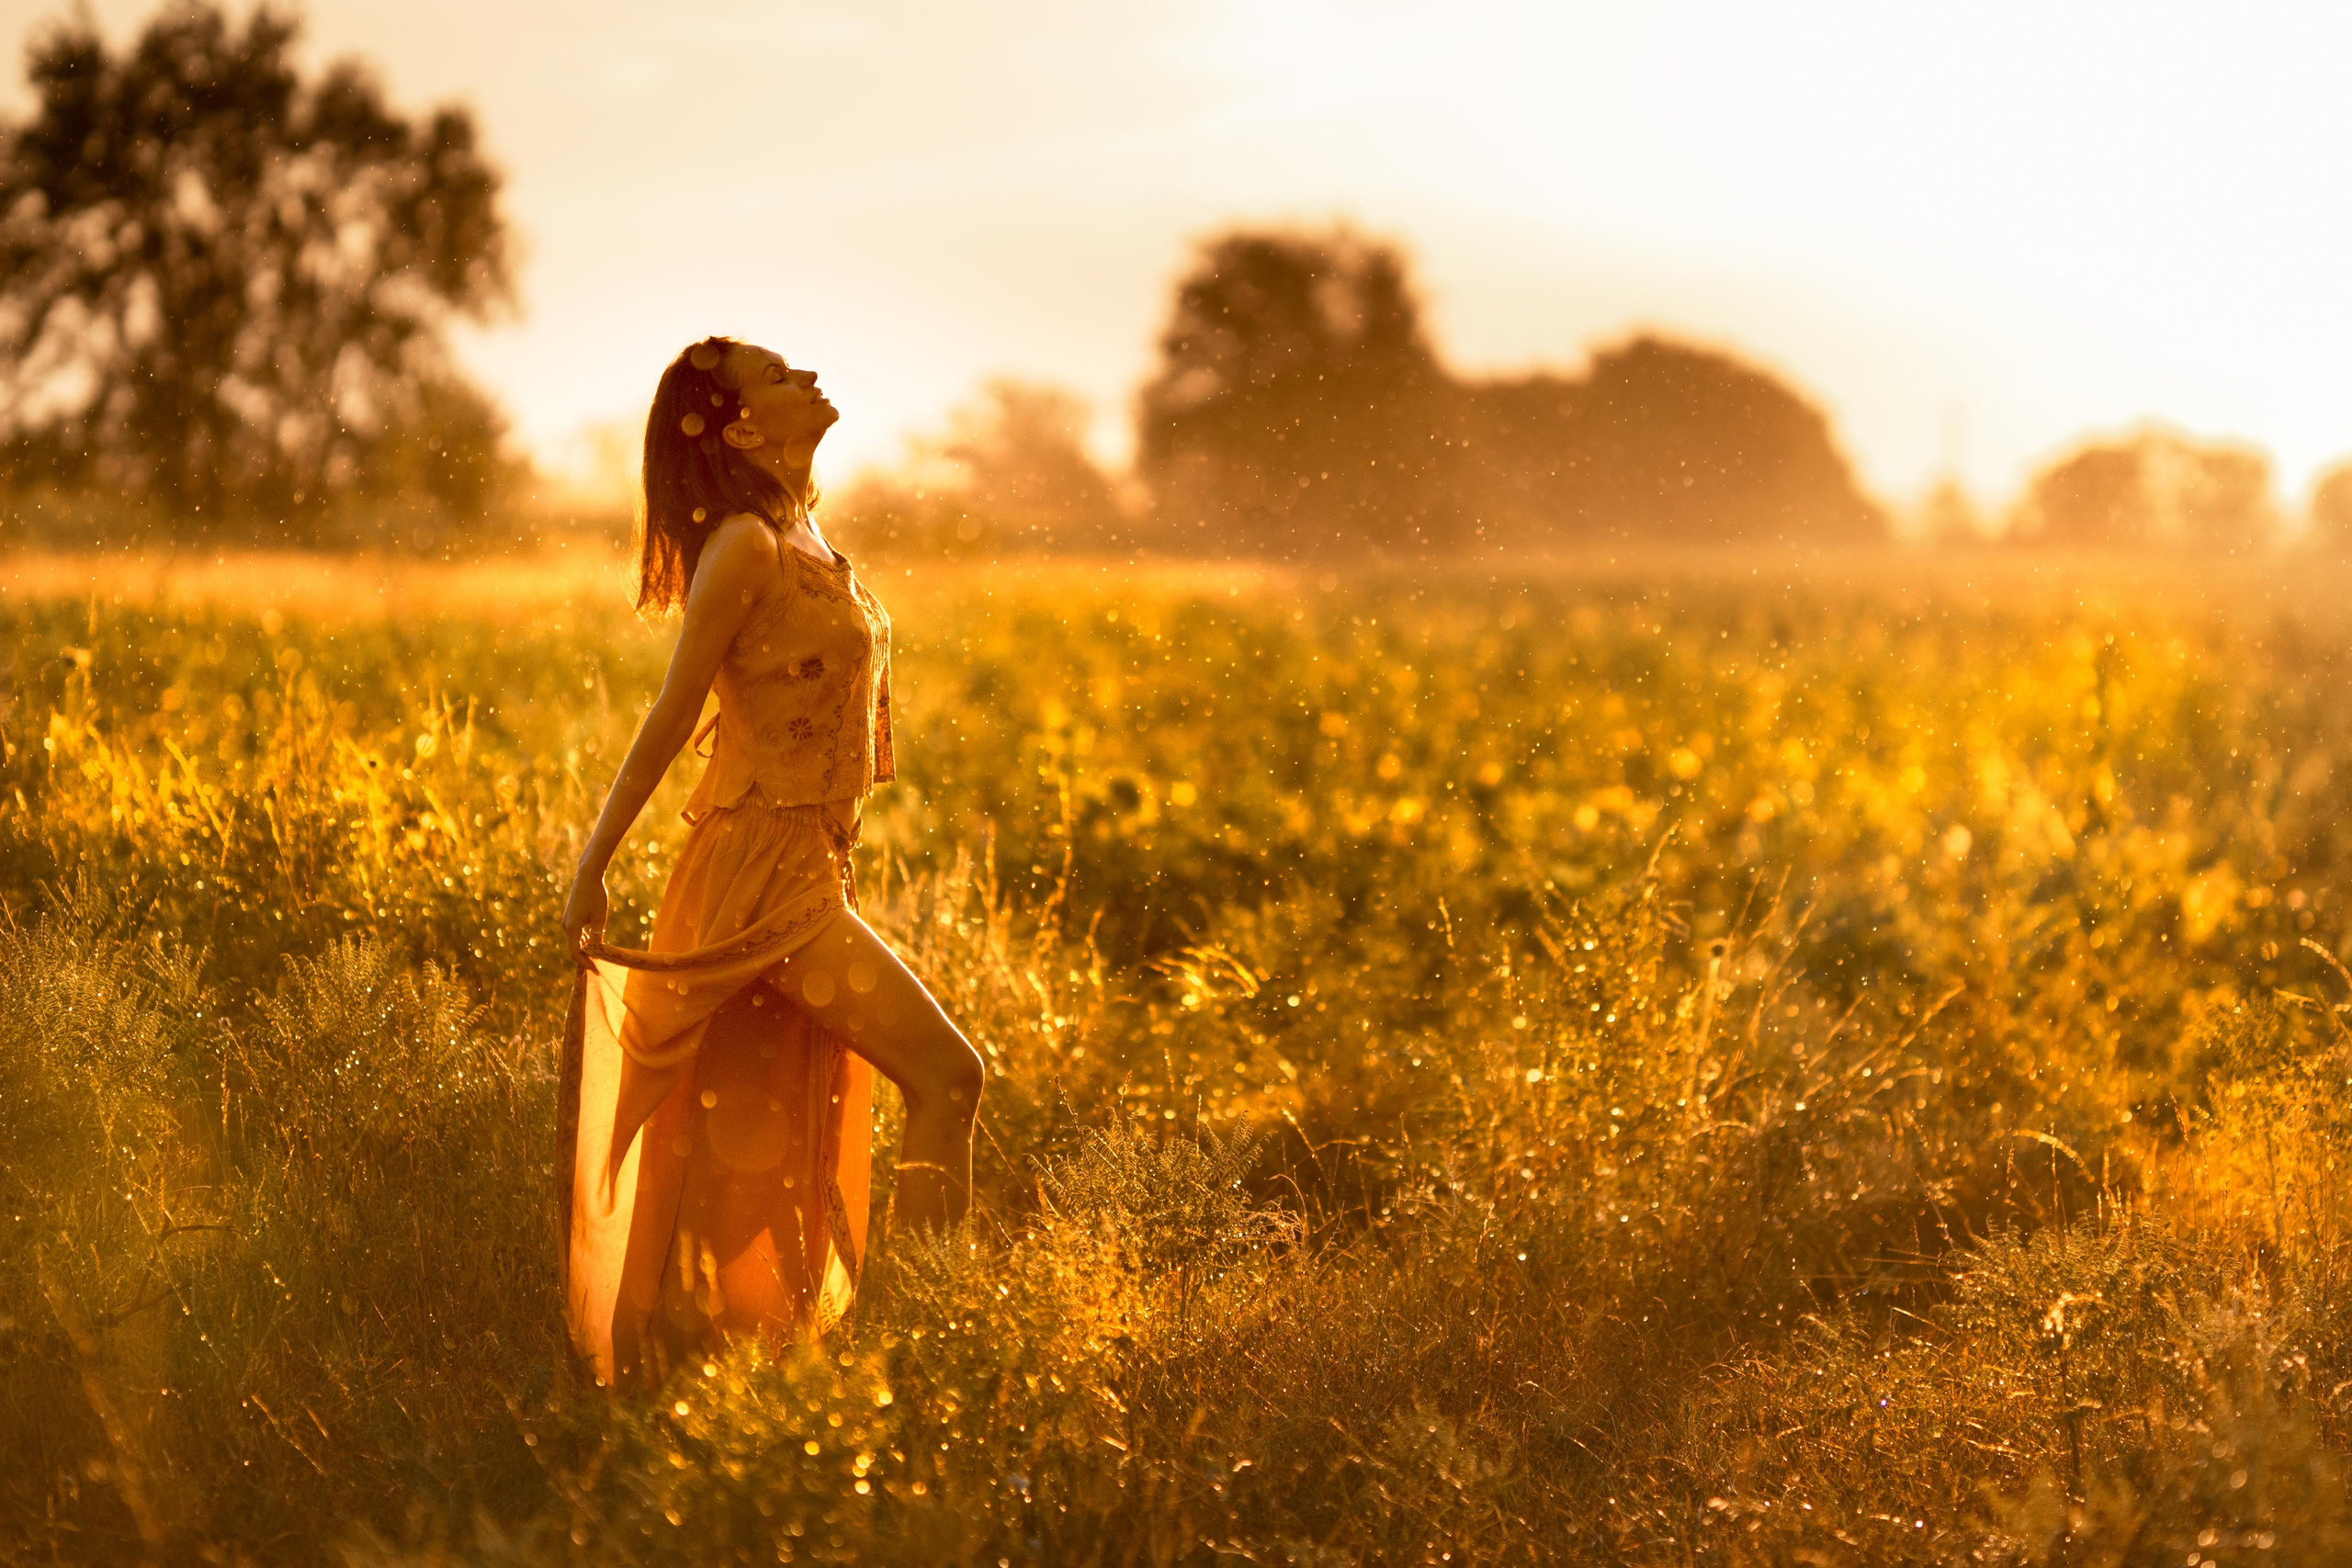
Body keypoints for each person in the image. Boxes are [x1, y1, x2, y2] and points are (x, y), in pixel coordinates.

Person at [557, 336, 984, 1389]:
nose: (809, 378)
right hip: (757, 873)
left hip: (805, 861)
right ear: (742, 427)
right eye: (778, 376)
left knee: (760, 1133)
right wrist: (593, 864)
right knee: (950, 1077)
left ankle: (744, 1363)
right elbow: (672, 711)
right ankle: (925, 1347)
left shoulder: (803, 529)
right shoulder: (746, 545)